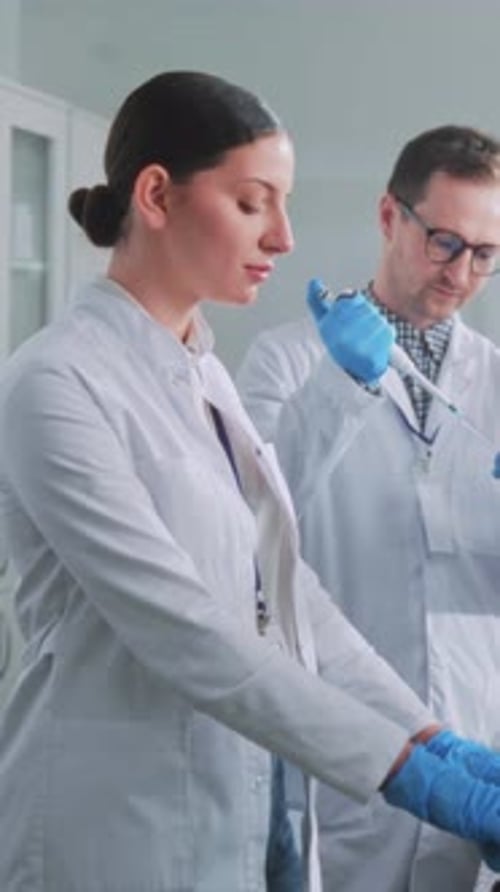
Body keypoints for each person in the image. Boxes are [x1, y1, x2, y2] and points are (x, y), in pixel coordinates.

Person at [1, 81, 500, 892]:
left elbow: (283, 587)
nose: (284, 235)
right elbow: (185, 628)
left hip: (240, 808)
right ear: (156, 195)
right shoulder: (55, 382)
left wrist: (428, 735)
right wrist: (406, 770)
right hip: (115, 828)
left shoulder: (203, 376)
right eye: (251, 202)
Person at [237, 124, 500, 892]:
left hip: (473, 736)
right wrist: (340, 386)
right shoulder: (289, 360)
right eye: (445, 242)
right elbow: (254, 526)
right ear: (391, 216)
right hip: (344, 739)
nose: (462, 273)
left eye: (486, 254)